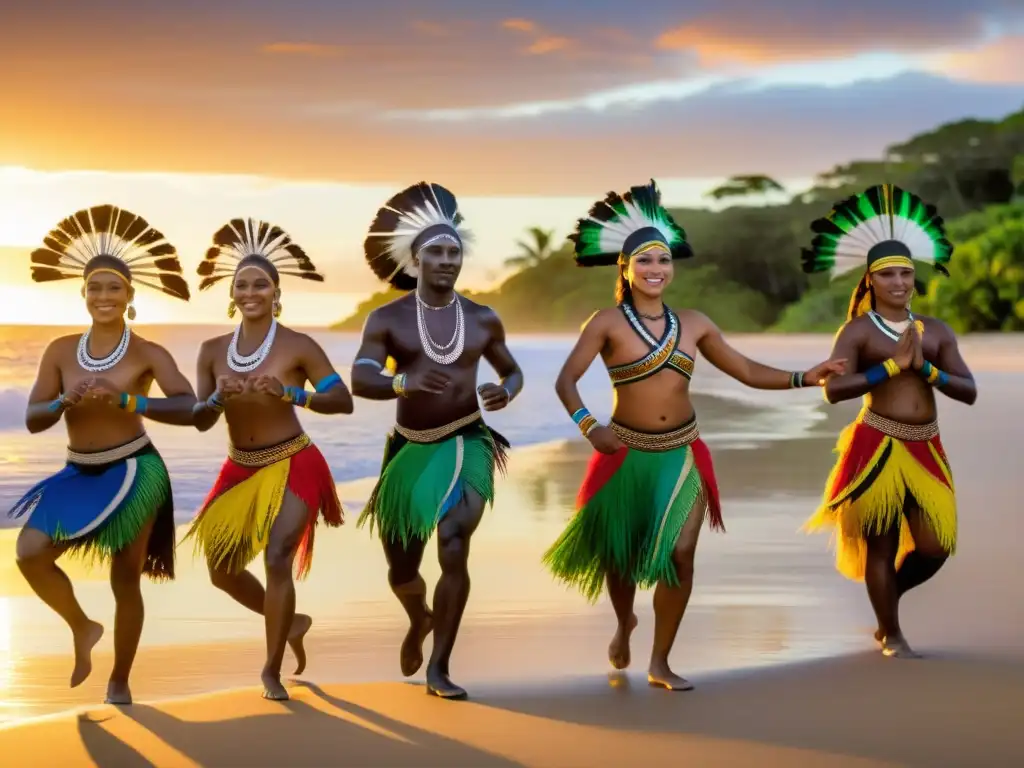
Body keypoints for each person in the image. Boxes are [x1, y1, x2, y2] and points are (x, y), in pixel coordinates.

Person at [542, 180, 846, 691]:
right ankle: (624, 622)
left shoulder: (696, 323)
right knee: (620, 558)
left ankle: (660, 661)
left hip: (682, 454)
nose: (655, 270)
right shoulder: (607, 323)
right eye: (644, 261)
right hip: (624, 453)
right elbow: (565, 381)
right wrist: (589, 427)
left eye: (663, 260)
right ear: (626, 268)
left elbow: (746, 370)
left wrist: (804, 376)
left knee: (681, 554)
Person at [10, 204, 197, 704]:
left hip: (135, 469)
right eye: (95, 287)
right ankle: (82, 626)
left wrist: (127, 400)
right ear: (83, 294)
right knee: (29, 553)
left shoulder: (149, 353)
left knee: (124, 575)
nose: (104, 296)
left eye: (114, 287)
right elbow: (33, 419)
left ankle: (120, 678)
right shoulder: (59, 349)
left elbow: (190, 407)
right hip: (78, 471)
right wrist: (60, 401)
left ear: (130, 296)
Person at [351, 181, 523, 700]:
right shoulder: (388, 319)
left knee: (453, 542)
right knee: (401, 565)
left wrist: (505, 392)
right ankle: (418, 616)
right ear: (415, 258)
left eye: (455, 252)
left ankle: (440, 667)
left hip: (468, 439)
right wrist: (403, 382)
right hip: (409, 447)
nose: (447, 260)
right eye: (436, 252)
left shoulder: (482, 318)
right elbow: (361, 379)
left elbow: (512, 372)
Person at [800, 184, 977, 658]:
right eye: (888, 275)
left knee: (935, 546)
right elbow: (834, 389)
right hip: (876, 444)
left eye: (905, 273)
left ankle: (888, 599)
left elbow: (970, 391)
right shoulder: (857, 331)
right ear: (871, 281)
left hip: (926, 445)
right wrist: (890, 368)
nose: (899, 282)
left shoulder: (936, 331)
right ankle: (892, 635)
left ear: (914, 278)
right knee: (878, 544)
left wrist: (927, 369)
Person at [187, 218, 352, 700]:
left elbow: (341, 399)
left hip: (294, 461)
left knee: (277, 556)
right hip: (239, 465)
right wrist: (216, 400)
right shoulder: (212, 351)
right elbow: (199, 420)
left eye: (261, 283)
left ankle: (270, 671)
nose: (251, 291)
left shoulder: (299, 345)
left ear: (277, 292)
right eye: (241, 284)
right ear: (231, 293)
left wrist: (291, 393)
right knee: (221, 569)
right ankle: (291, 620)